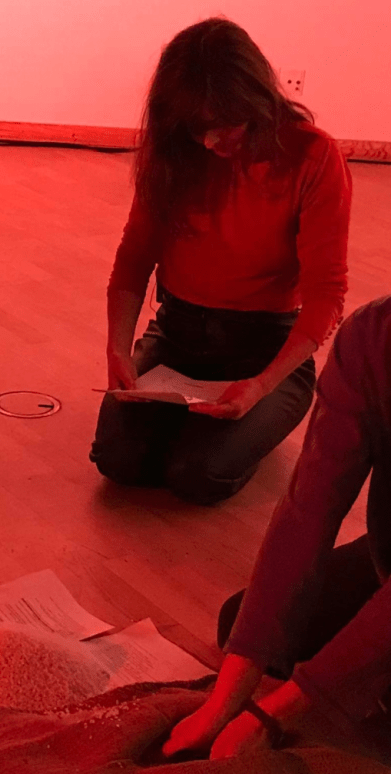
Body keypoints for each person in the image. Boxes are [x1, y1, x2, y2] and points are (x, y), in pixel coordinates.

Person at [90, 17, 352, 505]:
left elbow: (327, 292)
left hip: (266, 345)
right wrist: (118, 350)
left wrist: (262, 386)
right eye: (196, 129)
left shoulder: (313, 155)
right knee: (118, 460)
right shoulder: (174, 154)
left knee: (198, 475)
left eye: (225, 124)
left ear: (255, 100)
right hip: (178, 334)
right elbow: (133, 259)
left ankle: (261, 416)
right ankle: (209, 429)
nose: (211, 142)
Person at [162, 295, 391, 759]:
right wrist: (224, 703)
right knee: (245, 630)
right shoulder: (373, 334)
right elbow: (309, 508)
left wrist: (277, 713)